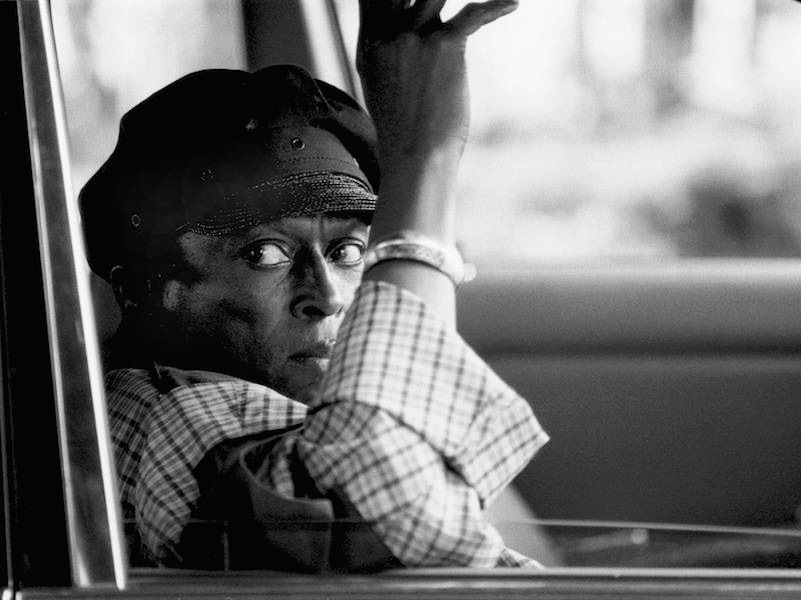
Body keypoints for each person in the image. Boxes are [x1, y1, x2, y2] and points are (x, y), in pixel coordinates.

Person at [80, 0, 547, 571]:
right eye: (265, 253)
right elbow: (386, 513)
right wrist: (424, 156)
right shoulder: (161, 413)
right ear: (142, 292)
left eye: (347, 251)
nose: (326, 295)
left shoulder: (309, 410)